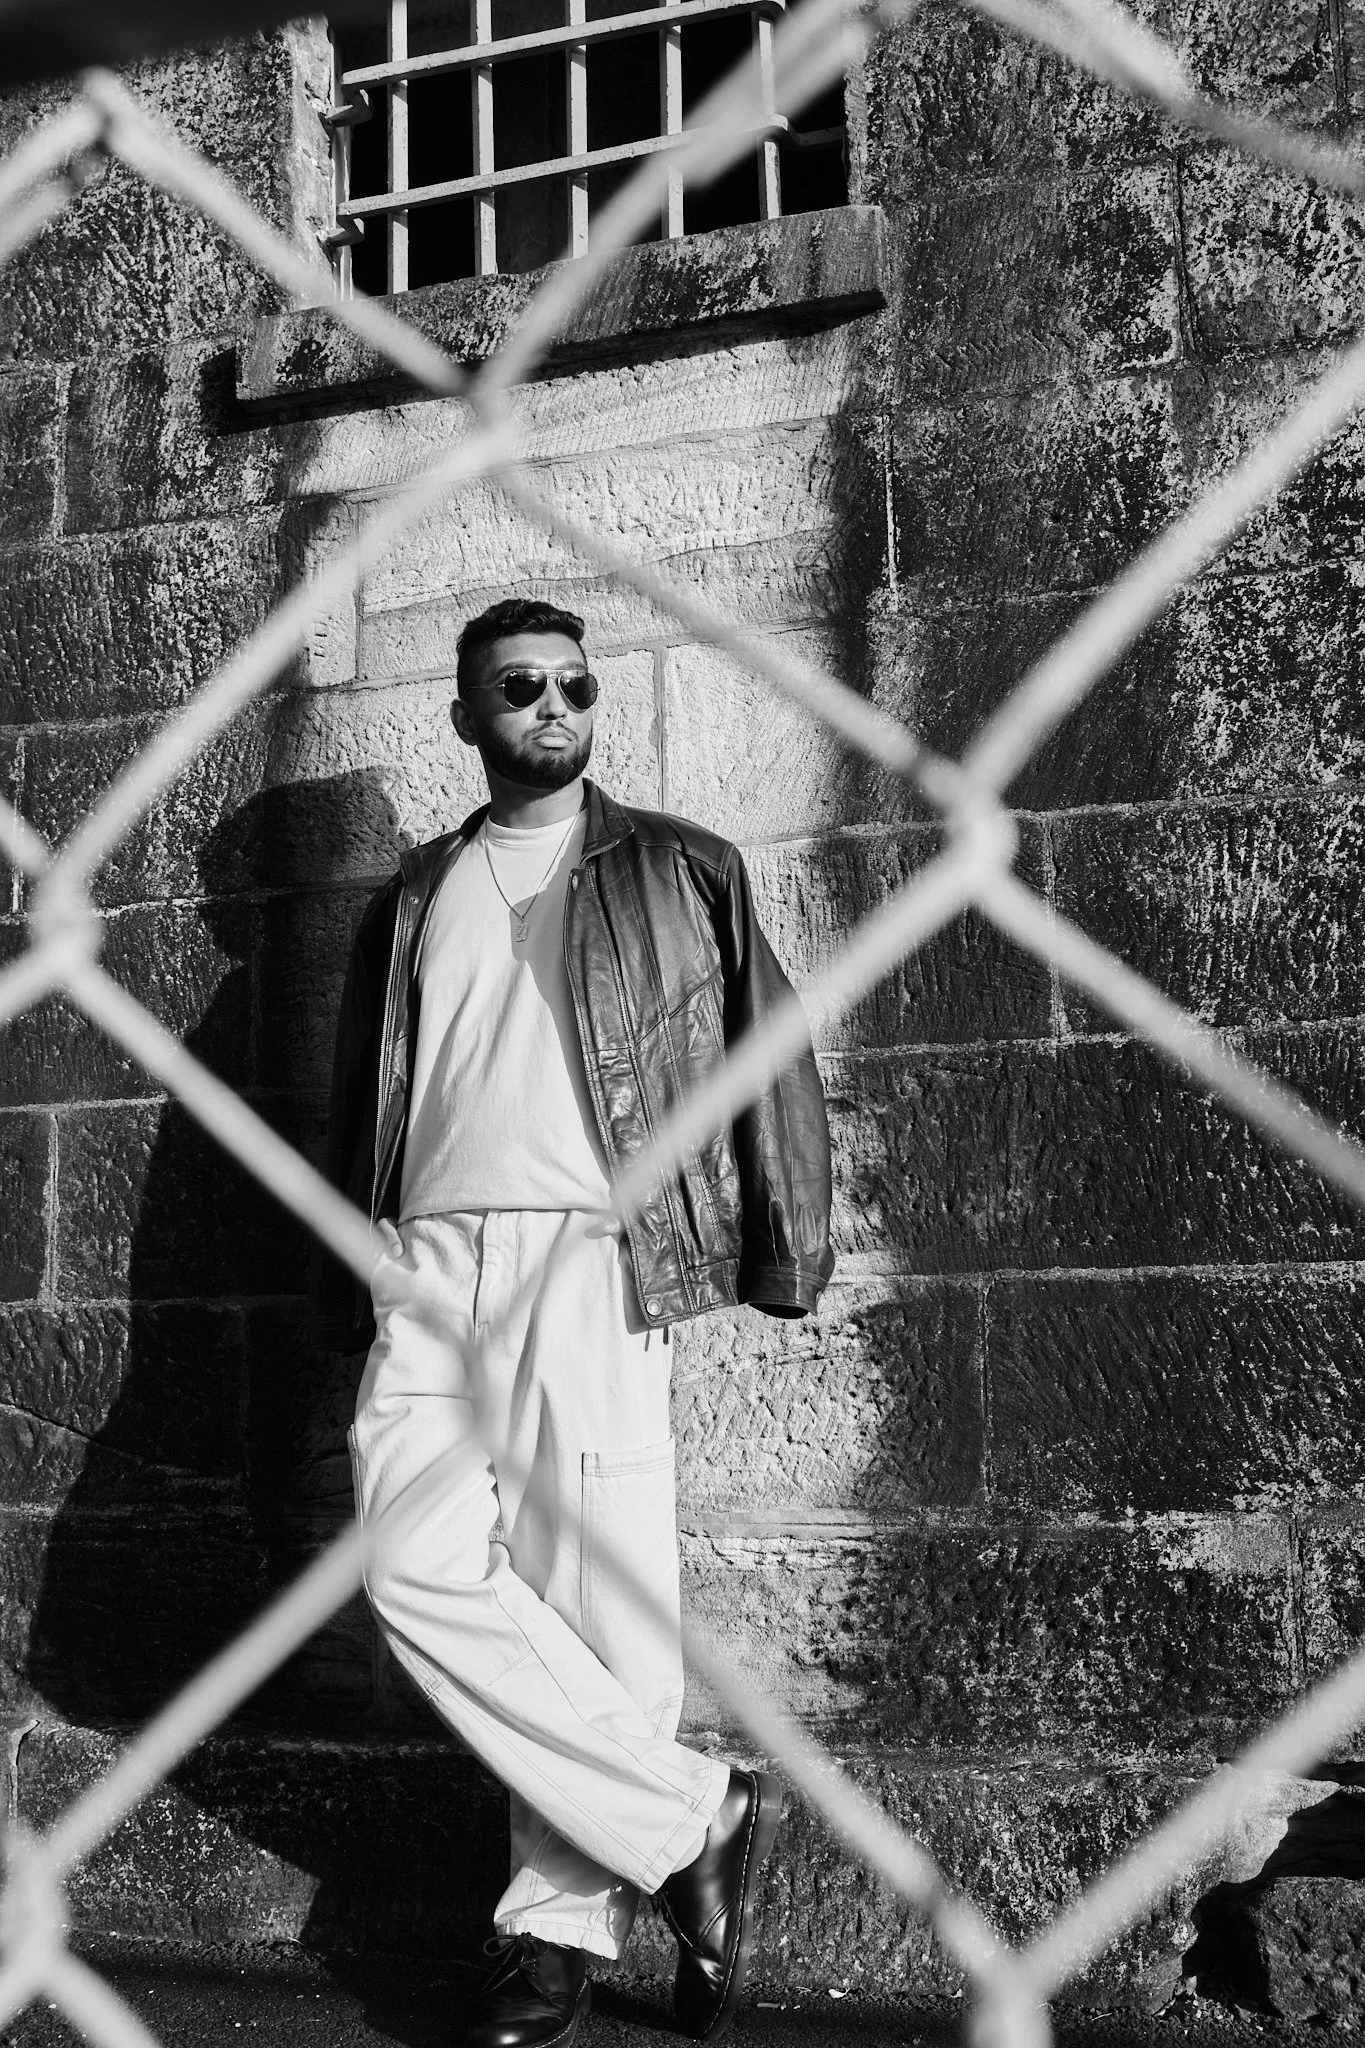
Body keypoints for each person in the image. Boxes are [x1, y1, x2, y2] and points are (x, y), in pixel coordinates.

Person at [314, 598, 834, 2047]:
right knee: (406, 1562)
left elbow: (767, 1054)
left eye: (575, 684)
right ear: (466, 717)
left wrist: (784, 1242)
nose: (553, 704)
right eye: (518, 687)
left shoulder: (679, 866)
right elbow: (368, 1092)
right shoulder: (415, 895)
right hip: (429, 1258)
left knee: (600, 1598)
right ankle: (689, 1818)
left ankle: (551, 1937)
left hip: (591, 1254)